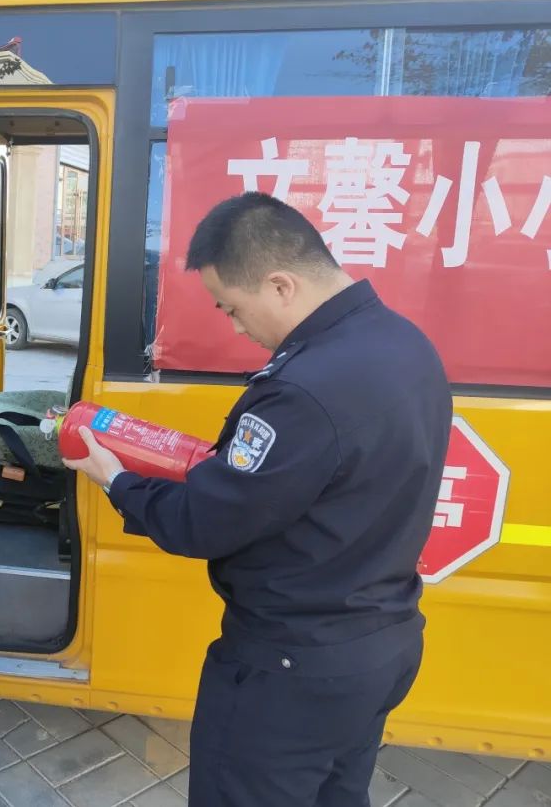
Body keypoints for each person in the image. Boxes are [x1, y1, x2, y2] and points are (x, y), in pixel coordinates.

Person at [64, 191, 452, 807]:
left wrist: (116, 478)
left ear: (279, 285)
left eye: (232, 309)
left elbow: (204, 522)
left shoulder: (305, 390)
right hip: (380, 645)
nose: (238, 329)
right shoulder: (405, 345)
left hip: (291, 673)